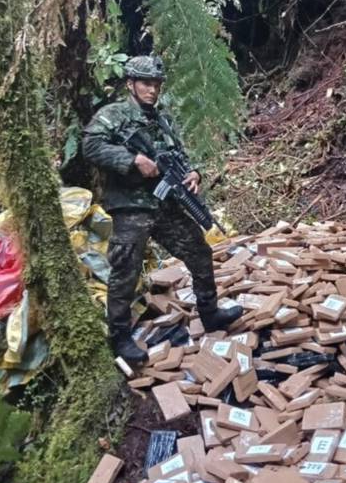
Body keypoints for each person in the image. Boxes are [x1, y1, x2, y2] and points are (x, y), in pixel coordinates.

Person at [83, 55, 242, 363]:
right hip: (131, 207)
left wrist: (193, 173)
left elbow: (177, 154)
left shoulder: (161, 119)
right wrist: (132, 160)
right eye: (146, 83)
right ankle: (120, 338)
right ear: (130, 84)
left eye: (156, 84)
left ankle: (210, 313)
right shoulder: (113, 115)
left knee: (199, 251)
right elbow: (91, 146)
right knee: (125, 271)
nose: (152, 90)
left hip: (165, 204)